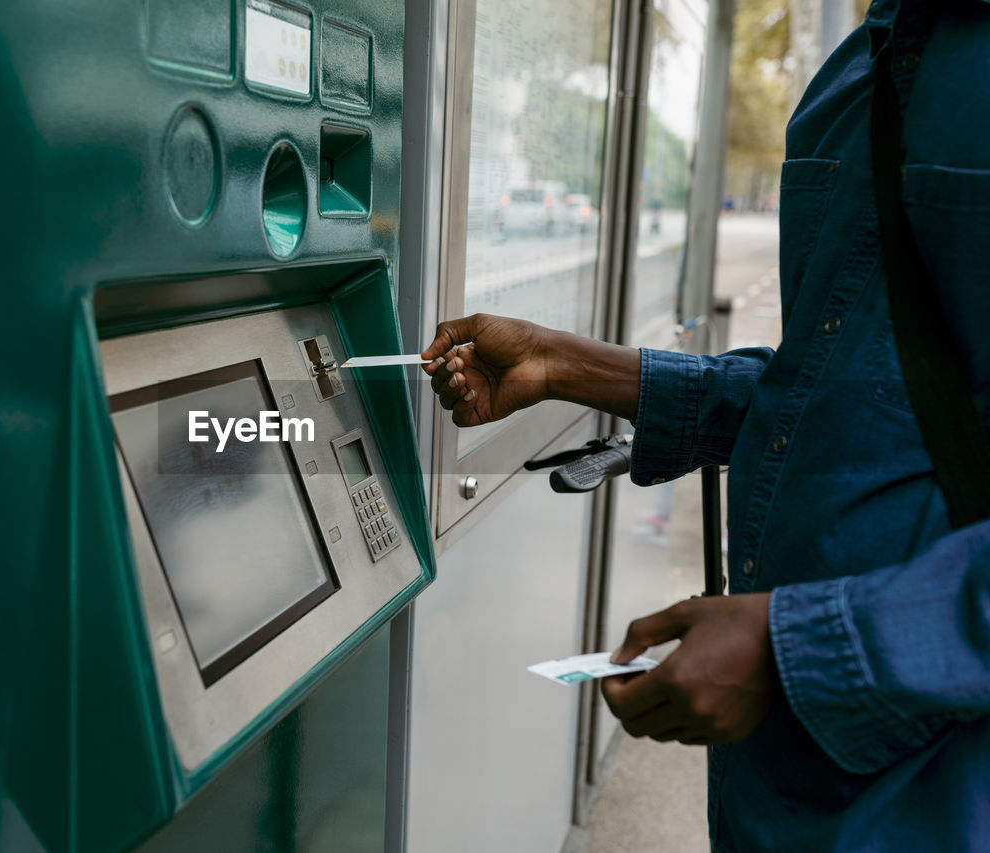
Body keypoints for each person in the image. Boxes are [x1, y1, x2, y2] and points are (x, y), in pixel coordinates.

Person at [422, 2, 990, 849]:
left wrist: (799, 646)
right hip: (786, 789)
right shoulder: (857, 75)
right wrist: (567, 364)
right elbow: (846, 396)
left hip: (937, 794)